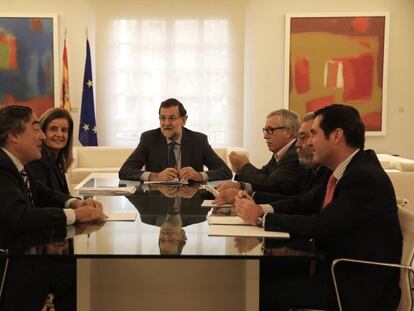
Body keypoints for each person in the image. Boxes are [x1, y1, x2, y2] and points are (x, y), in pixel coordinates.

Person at [235, 104, 402, 310]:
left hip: (356, 286)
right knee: (254, 275)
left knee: (259, 291)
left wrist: (262, 219)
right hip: (332, 267)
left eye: (313, 134)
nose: (308, 142)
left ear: (336, 135)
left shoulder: (363, 176)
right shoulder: (340, 170)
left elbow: (322, 225)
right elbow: (303, 203)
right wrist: (261, 210)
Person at [0, 105, 107, 233]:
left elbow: (43, 193)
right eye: (36, 129)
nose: (43, 136)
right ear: (14, 135)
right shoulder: (3, 167)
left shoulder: (17, 167)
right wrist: (75, 215)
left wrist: (75, 203)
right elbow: (19, 216)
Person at [119, 98, 232, 182]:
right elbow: (125, 170)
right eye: (163, 118)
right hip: (158, 203)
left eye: (172, 118)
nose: (166, 123)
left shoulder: (199, 141)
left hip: (191, 202)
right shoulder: (149, 139)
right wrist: (155, 176)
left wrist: (199, 176)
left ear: (184, 120)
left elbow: (225, 171)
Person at [213, 109, 305, 204]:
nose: (265, 136)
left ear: (288, 132)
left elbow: (270, 185)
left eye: (270, 130)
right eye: (265, 130)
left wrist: (244, 166)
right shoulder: (280, 153)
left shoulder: (295, 154)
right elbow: (263, 175)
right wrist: (239, 185)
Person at [27, 107, 74, 194]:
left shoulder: (56, 160)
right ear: (42, 132)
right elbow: (43, 200)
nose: (60, 134)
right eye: (53, 129)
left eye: (64, 130)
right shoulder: (38, 162)